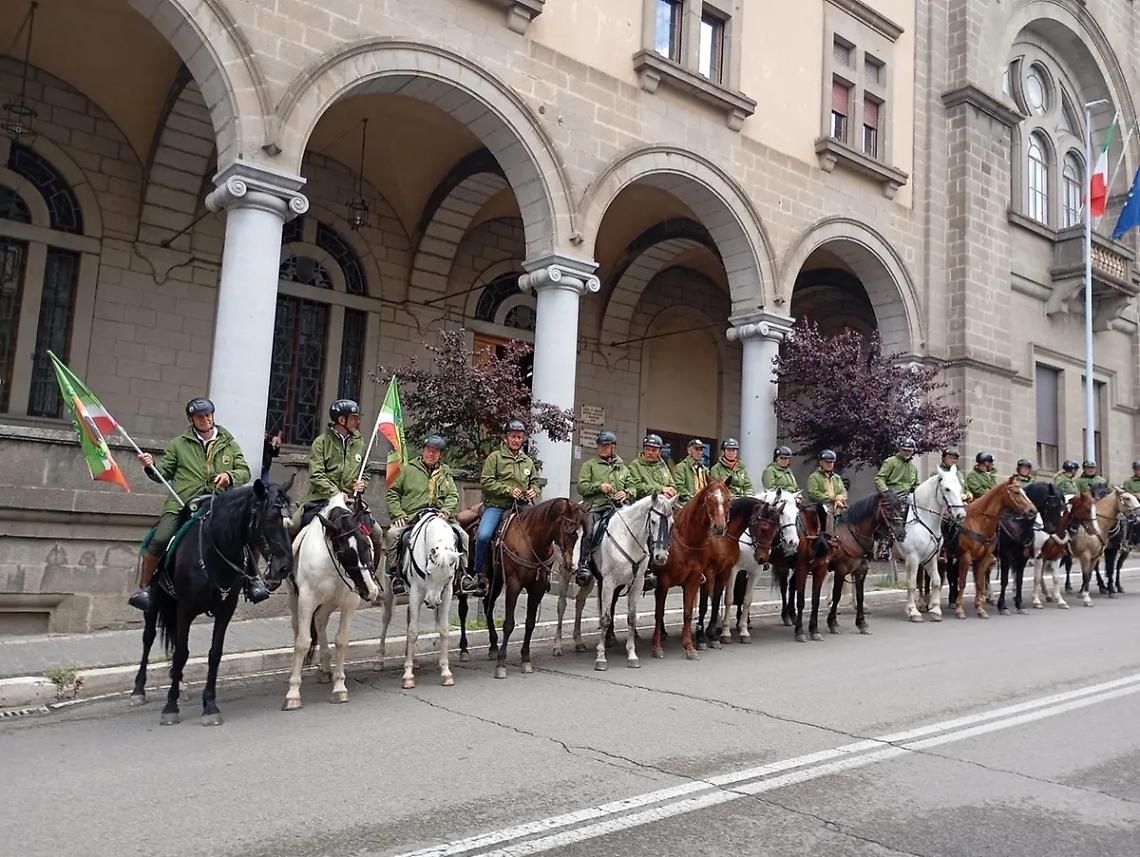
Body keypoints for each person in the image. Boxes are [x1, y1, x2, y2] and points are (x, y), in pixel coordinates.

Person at [130, 398, 252, 611]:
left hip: (218, 503)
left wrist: (228, 475)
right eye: (200, 417)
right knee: (160, 539)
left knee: (246, 533)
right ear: (191, 420)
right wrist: (150, 467)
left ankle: (253, 582)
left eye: (209, 415)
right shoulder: (178, 444)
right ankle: (147, 588)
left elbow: (245, 471)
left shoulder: (229, 443)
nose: (206, 419)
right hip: (182, 503)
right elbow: (164, 473)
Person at [295, 399, 384, 576]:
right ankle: (280, 573)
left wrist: (362, 483)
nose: (357, 421)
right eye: (354, 418)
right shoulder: (321, 443)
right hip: (320, 499)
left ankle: (370, 574)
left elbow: (364, 471)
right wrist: (336, 493)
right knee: (291, 525)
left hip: (351, 502)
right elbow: (316, 474)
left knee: (377, 533)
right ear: (341, 420)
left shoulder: (360, 443)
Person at [386, 435, 468, 596]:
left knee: (463, 536)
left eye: (435, 452)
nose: (431, 454)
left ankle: (462, 575)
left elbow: (453, 495)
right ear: (423, 451)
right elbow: (393, 493)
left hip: (440, 516)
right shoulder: (409, 469)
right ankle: (395, 575)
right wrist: (398, 514)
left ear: (440, 455)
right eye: (429, 451)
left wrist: (445, 511)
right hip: (413, 515)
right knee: (393, 534)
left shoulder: (445, 472)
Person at [467, 419, 541, 595]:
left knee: (538, 532)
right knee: (484, 536)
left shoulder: (527, 461)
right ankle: (480, 574)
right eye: (513, 437)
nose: (516, 440)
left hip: (522, 507)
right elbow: (486, 482)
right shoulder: (495, 458)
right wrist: (508, 490)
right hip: (497, 506)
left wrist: (534, 490)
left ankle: (537, 571)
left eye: (519, 437)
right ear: (506, 438)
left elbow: (536, 482)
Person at [574, 430, 632, 587]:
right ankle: (583, 565)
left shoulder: (623, 468)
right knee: (590, 531)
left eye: (606, 446)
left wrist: (626, 493)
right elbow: (581, 487)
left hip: (618, 508)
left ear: (614, 447)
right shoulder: (590, 465)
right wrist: (599, 486)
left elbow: (632, 486)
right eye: (600, 446)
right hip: (596, 507)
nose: (602, 449)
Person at [805, 449, 847, 535]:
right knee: (822, 509)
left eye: (831, 462)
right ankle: (824, 534)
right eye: (826, 462)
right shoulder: (813, 477)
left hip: (838, 506)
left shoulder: (837, 478)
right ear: (821, 462)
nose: (829, 464)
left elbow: (844, 492)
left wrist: (840, 498)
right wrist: (833, 498)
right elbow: (813, 494)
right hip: (823, 506)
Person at [626, 434, 678, 500]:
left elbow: (672, 484)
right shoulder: (635, 465)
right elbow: (637, 487)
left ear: (659, 452)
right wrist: (661, 489)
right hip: (644, 503)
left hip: (664, 501)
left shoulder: (662, 464)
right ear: (643, 450)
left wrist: (672, 491)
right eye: (647, 449)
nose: (650, 453)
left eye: (654, 450)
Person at [673, 438, 710, 503]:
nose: (699, 452)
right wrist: (692, 498)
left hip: (703, 502)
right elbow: (679, 487)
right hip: (687, 503)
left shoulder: (705, 469)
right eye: (696, 449)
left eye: (701, 450)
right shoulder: (681, 467)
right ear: (689, 451)